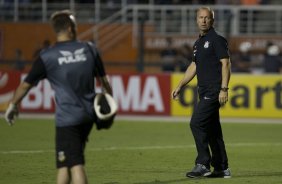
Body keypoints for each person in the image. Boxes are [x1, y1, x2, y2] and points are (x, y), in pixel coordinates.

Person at [4, 10, 113, 184]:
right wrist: (110, 101)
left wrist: (13, 105)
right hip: (88, 116)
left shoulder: (48, 56)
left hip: (67, 119)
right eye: (75, 25)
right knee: (65, 165)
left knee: (75, 164)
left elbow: (26, 85)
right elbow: (104, 81)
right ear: (70, 28)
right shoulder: (89, 49)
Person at [172, 7, 231, 178]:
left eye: (207, 18)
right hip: (204, 90)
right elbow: (194, 66)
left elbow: (226, 64)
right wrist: (180, 85)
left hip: (214, 90)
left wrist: (224, 89)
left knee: (196, 123)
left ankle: (203, 163)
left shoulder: (217, 40)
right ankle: (221, 168)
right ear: (196, 20)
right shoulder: (198, 43)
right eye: (201, 17)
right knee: (213, 130)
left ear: (212, 20)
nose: (204, 20)